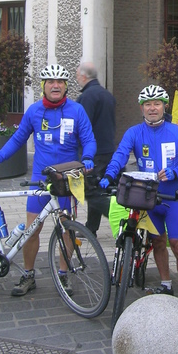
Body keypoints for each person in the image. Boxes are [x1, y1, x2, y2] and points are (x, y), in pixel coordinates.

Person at [0, 64, 96, 297]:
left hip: (66, 179)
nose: (56, 85)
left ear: (65, 87)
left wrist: (88, 158)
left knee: (66, 229)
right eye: (51, 81)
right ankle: (29, 275)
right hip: (39, 180)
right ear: (43, 85)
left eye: (60, 82)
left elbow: (89, 139)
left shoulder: (77, 110)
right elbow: (17, 139)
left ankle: (63, 275)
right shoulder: (33, 111)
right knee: (33, 230)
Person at [99, 85, 178, 306]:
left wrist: (176, 171)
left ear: (165, 106)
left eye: (156, 103)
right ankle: (165, 283)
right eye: (147, 104)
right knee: (158, 241)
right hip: (148, 196)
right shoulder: (134, 133)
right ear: (142, 108)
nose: (152, 108)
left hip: (174, 197)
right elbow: (120, 155)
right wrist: (109, 175)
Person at [76, 61, 117, 236]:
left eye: (77, 76)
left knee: (90, 191)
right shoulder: (107, 95)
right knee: (98, 189)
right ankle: (91, 228)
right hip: (109, 150)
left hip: (94, 153)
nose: (77, 79)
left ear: (84, 77)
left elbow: (83, 126)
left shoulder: (87, 97)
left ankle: (118, 216)